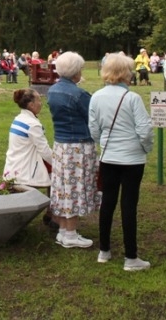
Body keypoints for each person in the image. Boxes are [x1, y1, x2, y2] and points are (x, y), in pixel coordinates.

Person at [89, 53, 153, 271]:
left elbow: (94, 129)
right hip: (132, 158)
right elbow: (144, 130)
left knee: (108, 202)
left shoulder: (96, 97)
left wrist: (105, 143)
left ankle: (104, 251)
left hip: (109, 157)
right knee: (129, 205)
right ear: (125, 73)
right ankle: (131, 257)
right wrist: (146, 148)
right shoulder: (132, 98)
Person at [46, 51, 98, 248]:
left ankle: (62, 230)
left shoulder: (53, 91)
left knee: (63, 188)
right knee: (75, 188)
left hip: (61, 145)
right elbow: (92, 118)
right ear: (75, 71)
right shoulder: (79, 94)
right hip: (78, 146)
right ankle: (70, 233)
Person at [3, 89, 53, 187]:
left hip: (12, 168)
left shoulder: (18, 119)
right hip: (26, 173)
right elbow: (44, 151)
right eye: (39, 100)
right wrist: (60, 164)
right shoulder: (32, 125)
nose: (41, 103)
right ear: (31, 105)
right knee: (59, 176)